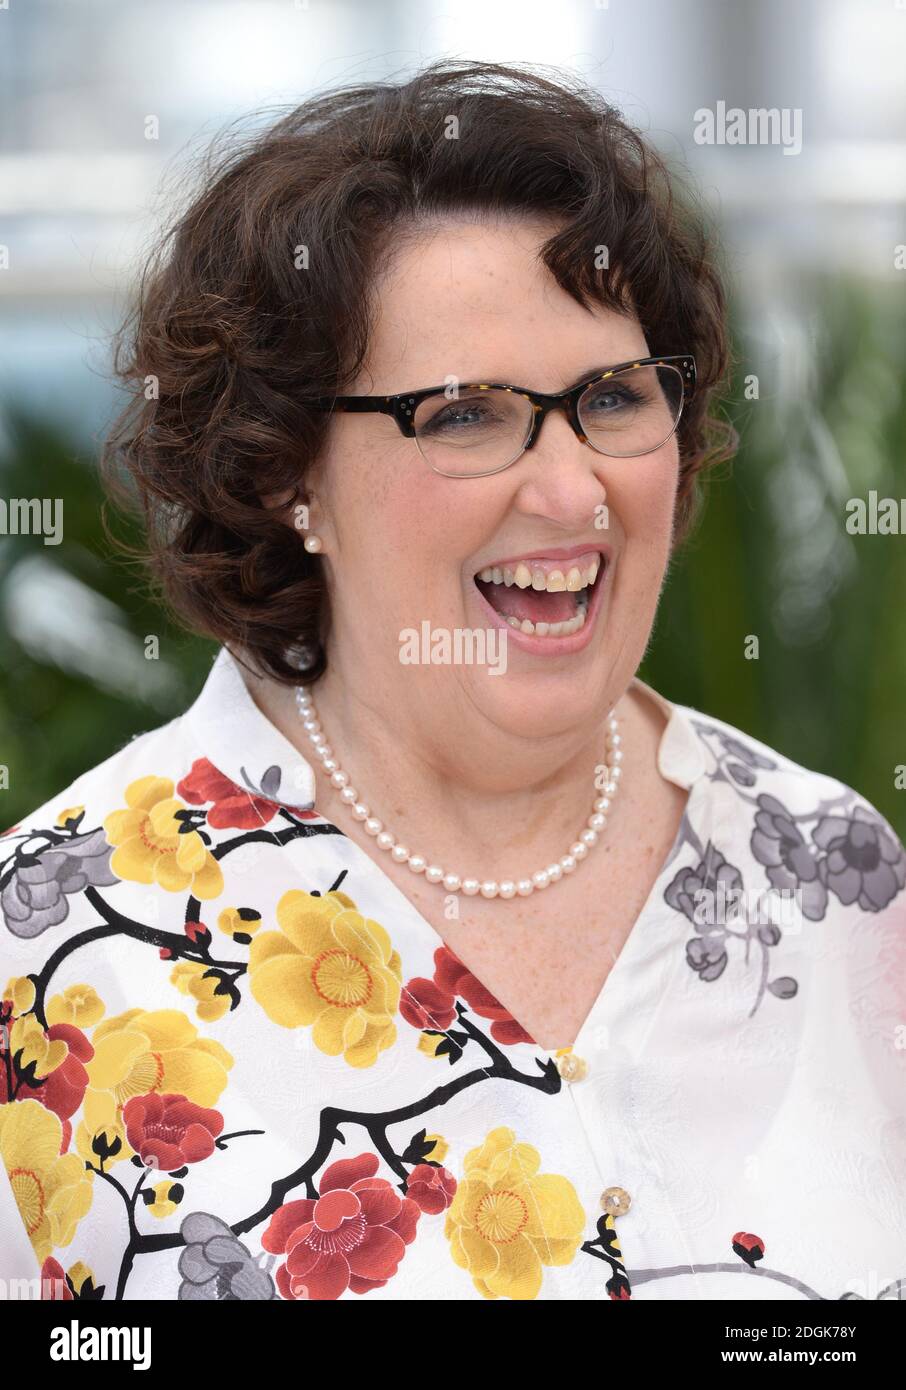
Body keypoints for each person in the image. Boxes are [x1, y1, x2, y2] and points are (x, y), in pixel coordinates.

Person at [1, 61, 903, 1303]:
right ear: (286, 474)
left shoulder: (835, 876)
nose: (574, 490)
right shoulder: (56, 950)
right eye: (467, 414)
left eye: (611, 398)